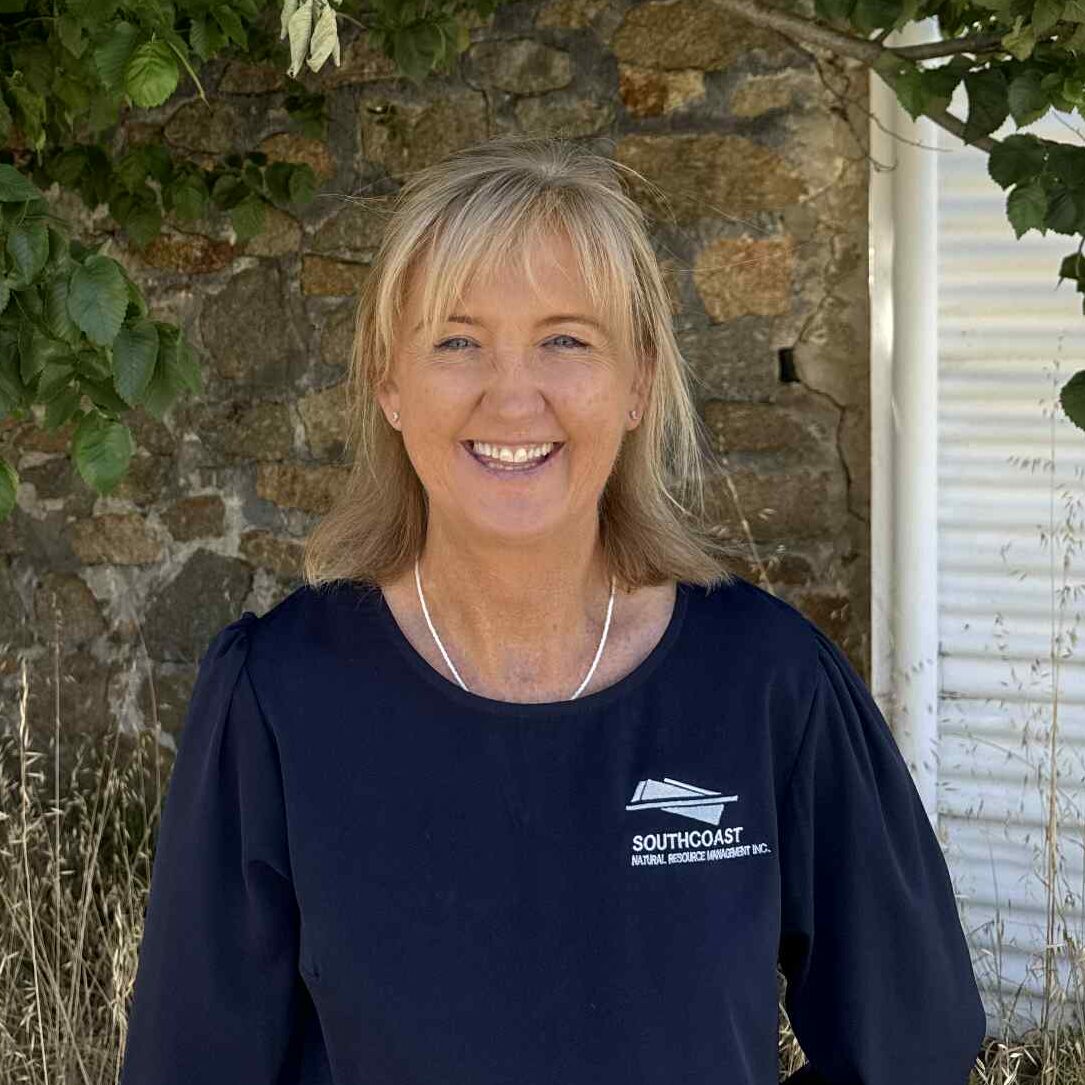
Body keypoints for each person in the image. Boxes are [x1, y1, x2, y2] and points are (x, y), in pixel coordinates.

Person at [118, 135, 986, 1085]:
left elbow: (912, 1039)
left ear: (638, 382)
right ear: (388, 382)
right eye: (457, 340)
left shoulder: (764, 681)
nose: (513, 394)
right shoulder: (280, 696)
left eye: (565, 339)